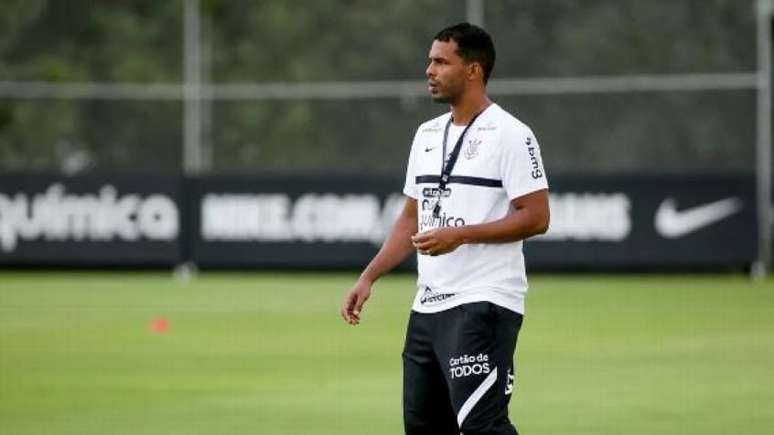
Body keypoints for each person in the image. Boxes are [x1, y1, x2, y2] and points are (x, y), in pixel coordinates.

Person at [340, 22, 550, 435]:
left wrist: (461, 234)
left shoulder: (511, 134)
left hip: (483, 303)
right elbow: (410, 218)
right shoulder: (426, 135)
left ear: (473, 70)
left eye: (440, 61)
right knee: (423, 427)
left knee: (482, 426)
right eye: (429, 61)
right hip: (427, 307)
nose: (429, 70)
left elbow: (537, 217)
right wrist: (369, 277)